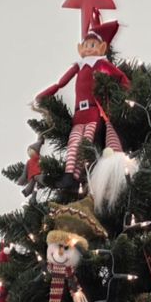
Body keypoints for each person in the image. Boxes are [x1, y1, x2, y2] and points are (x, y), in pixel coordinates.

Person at [35, 12, 129, 191]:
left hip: (94, 112)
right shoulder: (78, 66)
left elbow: (120, 76)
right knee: (74, 141)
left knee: (86, 142)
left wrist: (130, 90)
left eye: (92, 45)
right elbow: (61, 82)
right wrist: (46, 94)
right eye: (86, 45)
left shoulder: (101, 64)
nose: (89, 49)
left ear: (102, 47)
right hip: (79, 114)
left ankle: (77, 177)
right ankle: (69, 175)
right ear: (80, 49)